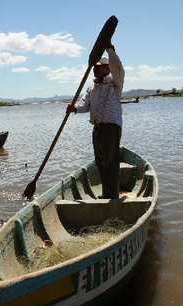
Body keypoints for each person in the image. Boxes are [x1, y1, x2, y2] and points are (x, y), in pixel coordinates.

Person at [67, 45, 125, 199]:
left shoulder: (115, 83)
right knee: (100, 162)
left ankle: (112, 195)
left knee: (110, 161)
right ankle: (107, 193)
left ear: (107, 68)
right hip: (97, 128)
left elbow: (118, 68)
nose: (95, 70)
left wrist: (110, 51)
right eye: (94, 67)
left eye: (99, 67)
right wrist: (74, 108)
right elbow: (84, 105)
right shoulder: (92, 87)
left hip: (111, 128)